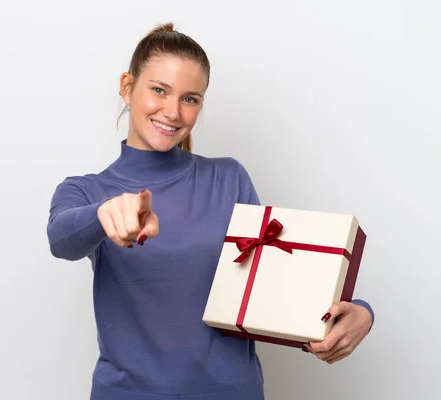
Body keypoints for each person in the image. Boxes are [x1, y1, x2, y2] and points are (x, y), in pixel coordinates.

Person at [47, 23, 375, 400]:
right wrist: (104, 213)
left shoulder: (228, 177)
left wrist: (360, 313)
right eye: (158, 90)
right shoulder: (87, 190)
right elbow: (61, 238)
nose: (172, 112)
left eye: (191, 99)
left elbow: (273, 285)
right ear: (127, 87)